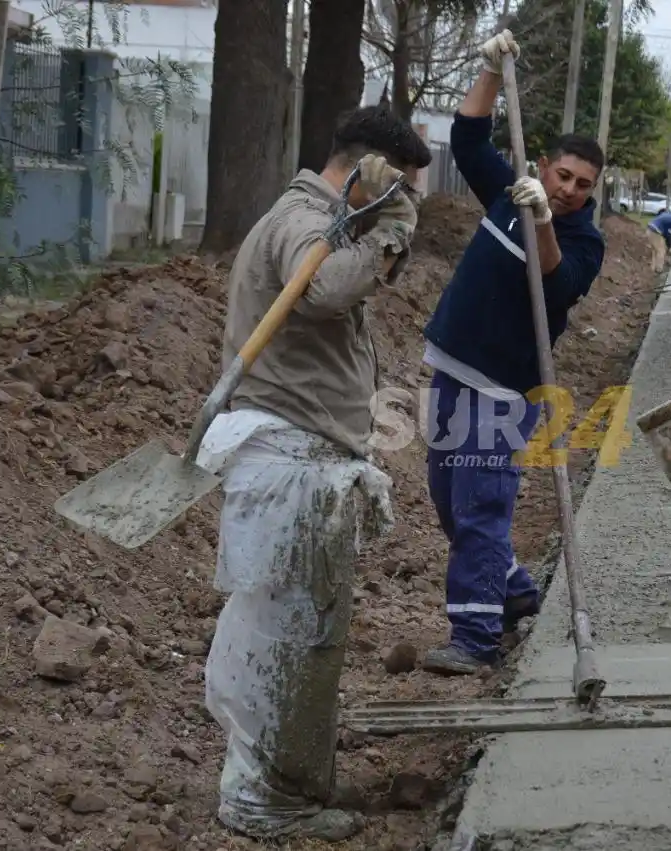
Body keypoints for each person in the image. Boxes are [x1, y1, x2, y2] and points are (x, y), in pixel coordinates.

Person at [197, 106, 432, 842]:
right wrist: (394, 224)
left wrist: (375, 221)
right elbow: (326, 290)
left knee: (301, 634)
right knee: (290, 639)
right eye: (403, 184)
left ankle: (291, 782)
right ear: (371, 170)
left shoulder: (324, 220)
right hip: (290, 466)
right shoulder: (305, 220)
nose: (408, 199)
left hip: (300, 461)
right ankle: (267, 801)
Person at [418, 29, 607, 676]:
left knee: (481, 508)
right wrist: (491, 72)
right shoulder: (507, 191)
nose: (570, 189)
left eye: (583, 184)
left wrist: (545, 221)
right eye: (563, 176)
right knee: (450, 503)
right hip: (451, 367)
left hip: (502, 390)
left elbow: (557, 284)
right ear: (544, 166)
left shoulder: (585, 241)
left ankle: (475, 640)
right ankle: (517, 591)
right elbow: (469, 140)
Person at [647, 207, 671, 272]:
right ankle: (658, 270)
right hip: (655, 231)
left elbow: (665, 228)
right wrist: (669, 246)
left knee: (655, 250)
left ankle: (652, 268)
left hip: (650, 227)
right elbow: (669, 235)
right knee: (661, 251)